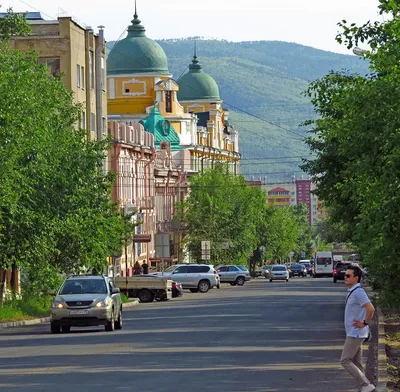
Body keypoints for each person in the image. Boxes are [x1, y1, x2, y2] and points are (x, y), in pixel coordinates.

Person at [340, 264, 376, 392]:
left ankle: (366, 385)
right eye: (345, 275)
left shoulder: (359, 292)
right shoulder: (353, 291)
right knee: (357, 363)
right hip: (354, 332)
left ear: (356, 278)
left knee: (345, 360)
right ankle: (363, 388)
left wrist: (364, 322)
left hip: (356, 333)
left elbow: (371, 309)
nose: (345, 277)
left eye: (348, 276)